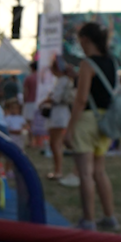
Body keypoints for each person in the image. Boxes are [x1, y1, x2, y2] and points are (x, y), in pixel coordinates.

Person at [66, 22, 121, 231]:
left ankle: (88, 220)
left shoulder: (87, 64)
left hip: (87, 120)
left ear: (85, 39)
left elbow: (81, 100)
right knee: (100, 172)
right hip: (105, 121)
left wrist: (70, 129)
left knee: (85, 173)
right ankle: (109, 216)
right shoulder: (112, 62)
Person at [44, 57, 76, 186]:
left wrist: (44, 101)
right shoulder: (64, 80)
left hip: (58, 115)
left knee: (55, 143)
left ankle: (58, 171)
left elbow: (56, 98)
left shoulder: (62, 81)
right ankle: (58, 170)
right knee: (56, 144)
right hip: (61, 114)